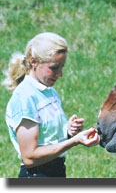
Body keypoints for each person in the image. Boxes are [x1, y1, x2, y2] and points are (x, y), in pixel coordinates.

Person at [2, 32, 100, 177]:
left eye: (62, 67)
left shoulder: (50, 92)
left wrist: (68, 131)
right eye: (54, 68)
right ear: (33, 61)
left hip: (57, 171)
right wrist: (74, 141)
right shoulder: (25, 98)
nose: (60, 74)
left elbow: (47, 140)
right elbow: (30, 157)